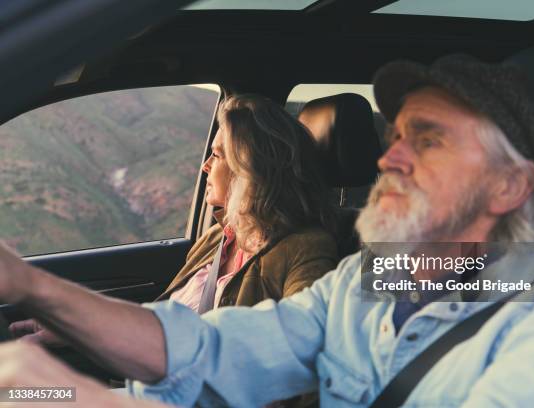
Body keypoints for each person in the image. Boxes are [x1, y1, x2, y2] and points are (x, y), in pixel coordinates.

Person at [0, 54, 534, 407]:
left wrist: (82, 400)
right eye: (395, 137)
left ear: (508, 188)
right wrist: (32, 286)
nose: (388, 160)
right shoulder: (366, 280)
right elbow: (211, 349)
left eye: (426, 141)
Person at [8, 93, 338, 347]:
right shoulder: (218, 238)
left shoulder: (305, 249)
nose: (206, 166)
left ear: (249, 169)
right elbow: (161, 321)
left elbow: (300, 351)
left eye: (218, 155)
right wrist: (77, 327)